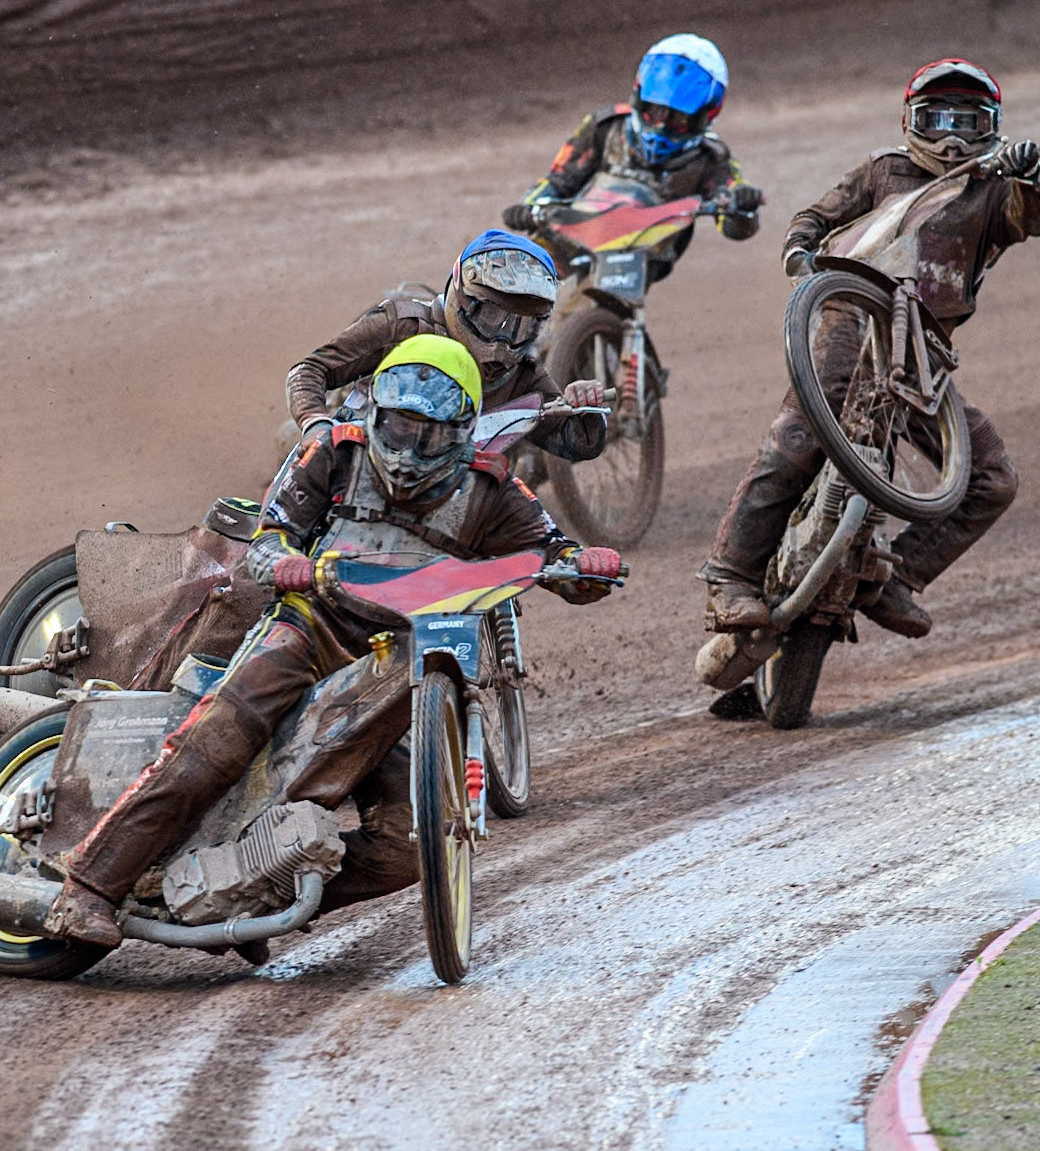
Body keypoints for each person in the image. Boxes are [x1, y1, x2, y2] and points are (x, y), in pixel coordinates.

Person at [45, 335, 622, 945]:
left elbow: (554, 554)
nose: (406, 449)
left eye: (427, 435)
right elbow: (269, 539)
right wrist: (284, 562)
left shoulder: (493, 490)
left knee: (408, 849)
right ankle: (87, 887)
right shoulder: (332, 452)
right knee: (213, 744)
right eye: (396, 428)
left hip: (407, 668)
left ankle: (260, 892)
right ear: (374, 415)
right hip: (309, 629)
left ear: (460, 433)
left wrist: (585, 569)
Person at [701, 58, 1040, 639]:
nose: (951, 137)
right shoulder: (883, 171)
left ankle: (899, 578)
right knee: (796, 437)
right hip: (849, 315)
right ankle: (731, 577)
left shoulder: (995, 191)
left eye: (968, 122)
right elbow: (815, 217)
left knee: (992, 477)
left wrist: (1027, 177)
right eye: (937, 119)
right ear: (910, 120)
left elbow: (1030, 219)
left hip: (922, 351)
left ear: (993, 128)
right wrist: (800, 254)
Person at [286, 230, 608, 463]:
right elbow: (309, 370)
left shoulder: (524, 377)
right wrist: (314, 423)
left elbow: (580, 444)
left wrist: (587, 410)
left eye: (522, 326)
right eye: (492, 315)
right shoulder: (403, 325)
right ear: (461, 295)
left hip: (445, 518)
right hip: (360, 474)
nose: (502, 339)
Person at [503, 32, 763, 278]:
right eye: (655, 111)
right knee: (517, 276)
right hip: (578, 230)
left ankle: (621, 325)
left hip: (645, 252)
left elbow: (733, 221)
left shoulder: (711, 158)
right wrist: (529, 207)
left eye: (679, 118)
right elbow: (559, 180)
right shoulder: (606, 127)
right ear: (639, 97)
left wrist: (743, 206)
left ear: (706, 115)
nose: (661, 126)